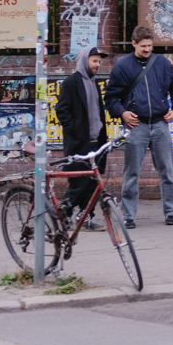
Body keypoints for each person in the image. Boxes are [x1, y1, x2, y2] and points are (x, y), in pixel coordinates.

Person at [104, 24, 173, 228]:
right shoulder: (122, 66)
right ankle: (129, 216)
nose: (147, 49)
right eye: (143, 46)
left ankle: (171, 212)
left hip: (160, 123)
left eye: (150, 45)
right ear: (134, 44)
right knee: (131, 173)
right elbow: (110, 97)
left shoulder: (163, 63)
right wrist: (122, 112)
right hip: (136, 125)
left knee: (167, 170)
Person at [55, 45, 109, 230]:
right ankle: (64, 213)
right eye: (94, 61)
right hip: (79, 143)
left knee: (93, 183)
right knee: (78, 182)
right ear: (84, 61)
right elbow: (61, 110)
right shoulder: (71, 82)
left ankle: (85, 217)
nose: (97, 65)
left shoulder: (94, 83)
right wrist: (76, 131)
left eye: (99, 61)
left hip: (96, 142)